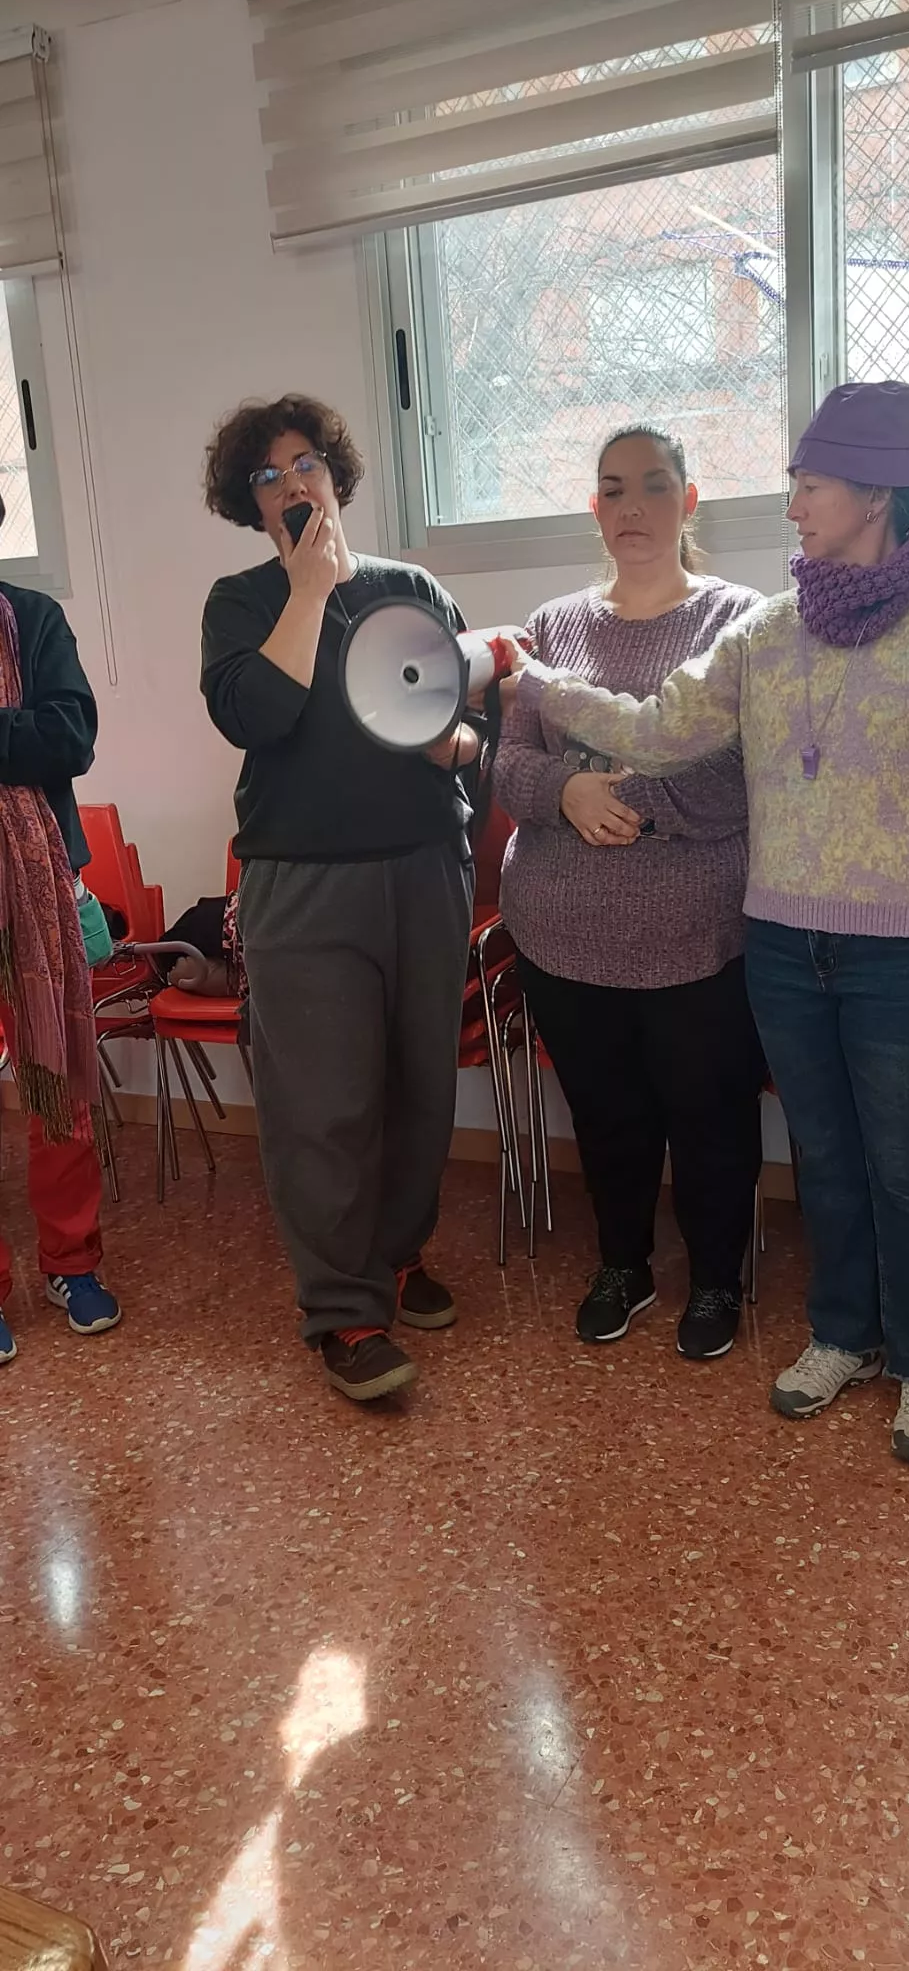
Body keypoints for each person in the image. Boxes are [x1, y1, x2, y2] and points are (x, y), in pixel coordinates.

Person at [495, 383, 909, 1464]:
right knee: (827, 1155)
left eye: (809, 482)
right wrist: (541, 681)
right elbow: (658, 727)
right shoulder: (770, 629)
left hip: (908, 950)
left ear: (876, 491)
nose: (790, 501)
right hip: (783, 940)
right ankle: (843, 1332)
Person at [200, 397, 477, 1404]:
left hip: (424, 867)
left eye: (305, 461)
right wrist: (308, 590)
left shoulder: (415, 589)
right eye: (267, 475)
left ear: (337, 472)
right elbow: (257, 713)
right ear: (250, 503)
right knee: (321, 1101)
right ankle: (342, 1307)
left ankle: (397, 1255)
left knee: (418, 1085)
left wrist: (465, 748)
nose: (291, 482)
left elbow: (463, 734)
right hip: (301, 881)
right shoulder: (240, 603)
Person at [495, 426, 766, 1358]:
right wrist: (562, 793)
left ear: (689, 501)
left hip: (696, 931)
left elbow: (747, 778)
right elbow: (509, 762)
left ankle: (718, 1280)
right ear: (595, 508)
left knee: (709, 1115)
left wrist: (637, 803)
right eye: (614, 490)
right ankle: (623, 1263)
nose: (633, 507)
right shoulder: (553, 623)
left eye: (654, 486)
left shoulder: (740, 619)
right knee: (606, 1117)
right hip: (561, 932)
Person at [0, 493, 122, 1364]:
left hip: (38, 892)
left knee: (59, 1093)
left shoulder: (33, 619)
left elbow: (68, 736)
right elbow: (33, 737)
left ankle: (71, 1263)